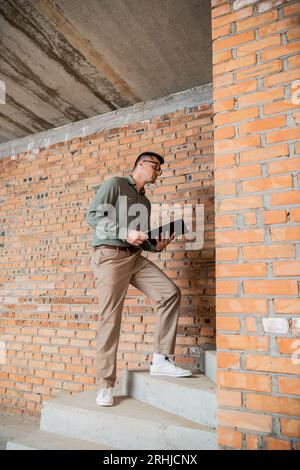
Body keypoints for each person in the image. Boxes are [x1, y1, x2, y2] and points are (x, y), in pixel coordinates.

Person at [85, 151, 192, 407]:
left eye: (160, 169)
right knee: (110, 318)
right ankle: (105, 385)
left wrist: (157, 245)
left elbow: (139, 239)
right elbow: (92, 215)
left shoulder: (145, 203)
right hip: (109, 256)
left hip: (134, 257)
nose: (159, 172)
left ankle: (161, 359)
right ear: (142, 165)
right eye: (156, 167)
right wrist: (124, 232)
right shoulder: (115, 184)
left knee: (169, 293)